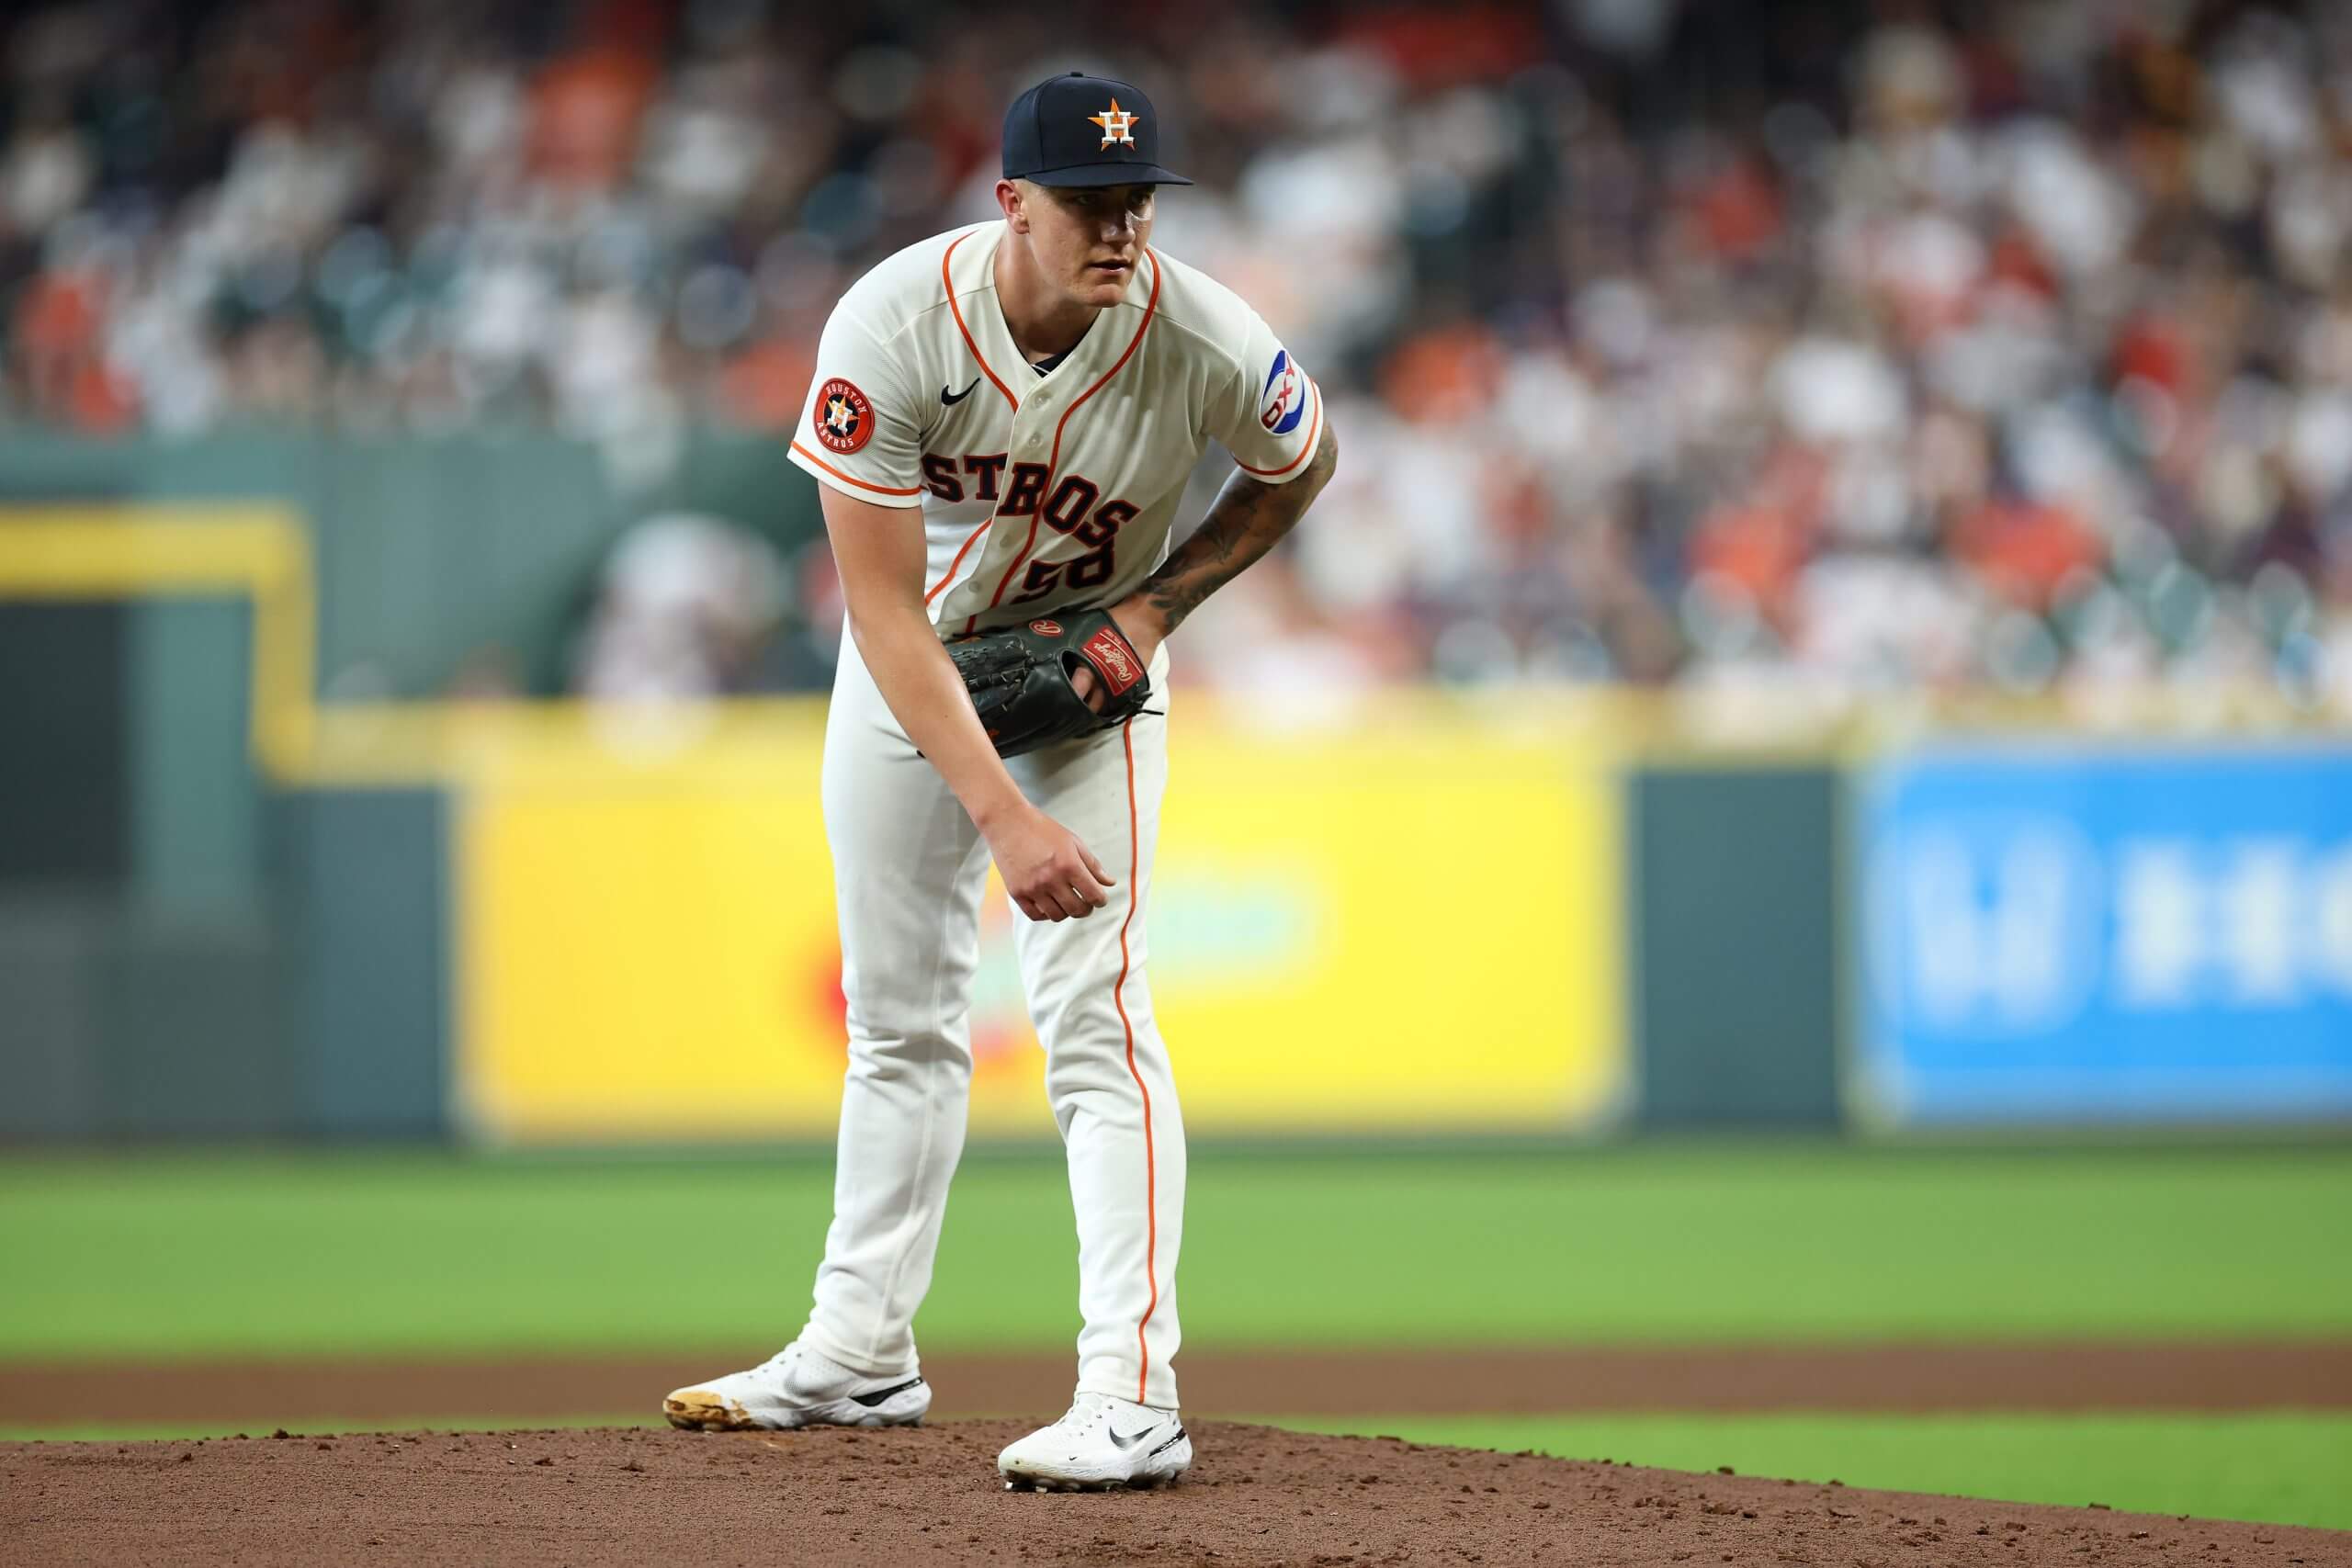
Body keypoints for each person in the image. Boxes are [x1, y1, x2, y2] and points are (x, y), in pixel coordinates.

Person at [662, 69, 1337, 1491]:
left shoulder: (1201, 332)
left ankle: (1133, 1394)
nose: (1119, 229)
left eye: (1137, 201)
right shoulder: (890, 327)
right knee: (897, 1021)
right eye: (1088, 202)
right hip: (914, 672)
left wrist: (1150, 616)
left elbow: (1304, 457)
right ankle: (857, 1354)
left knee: (1094, 1014)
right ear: (1011, 201)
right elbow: (888, 619)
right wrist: (1003, 815)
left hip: (1086, 679)